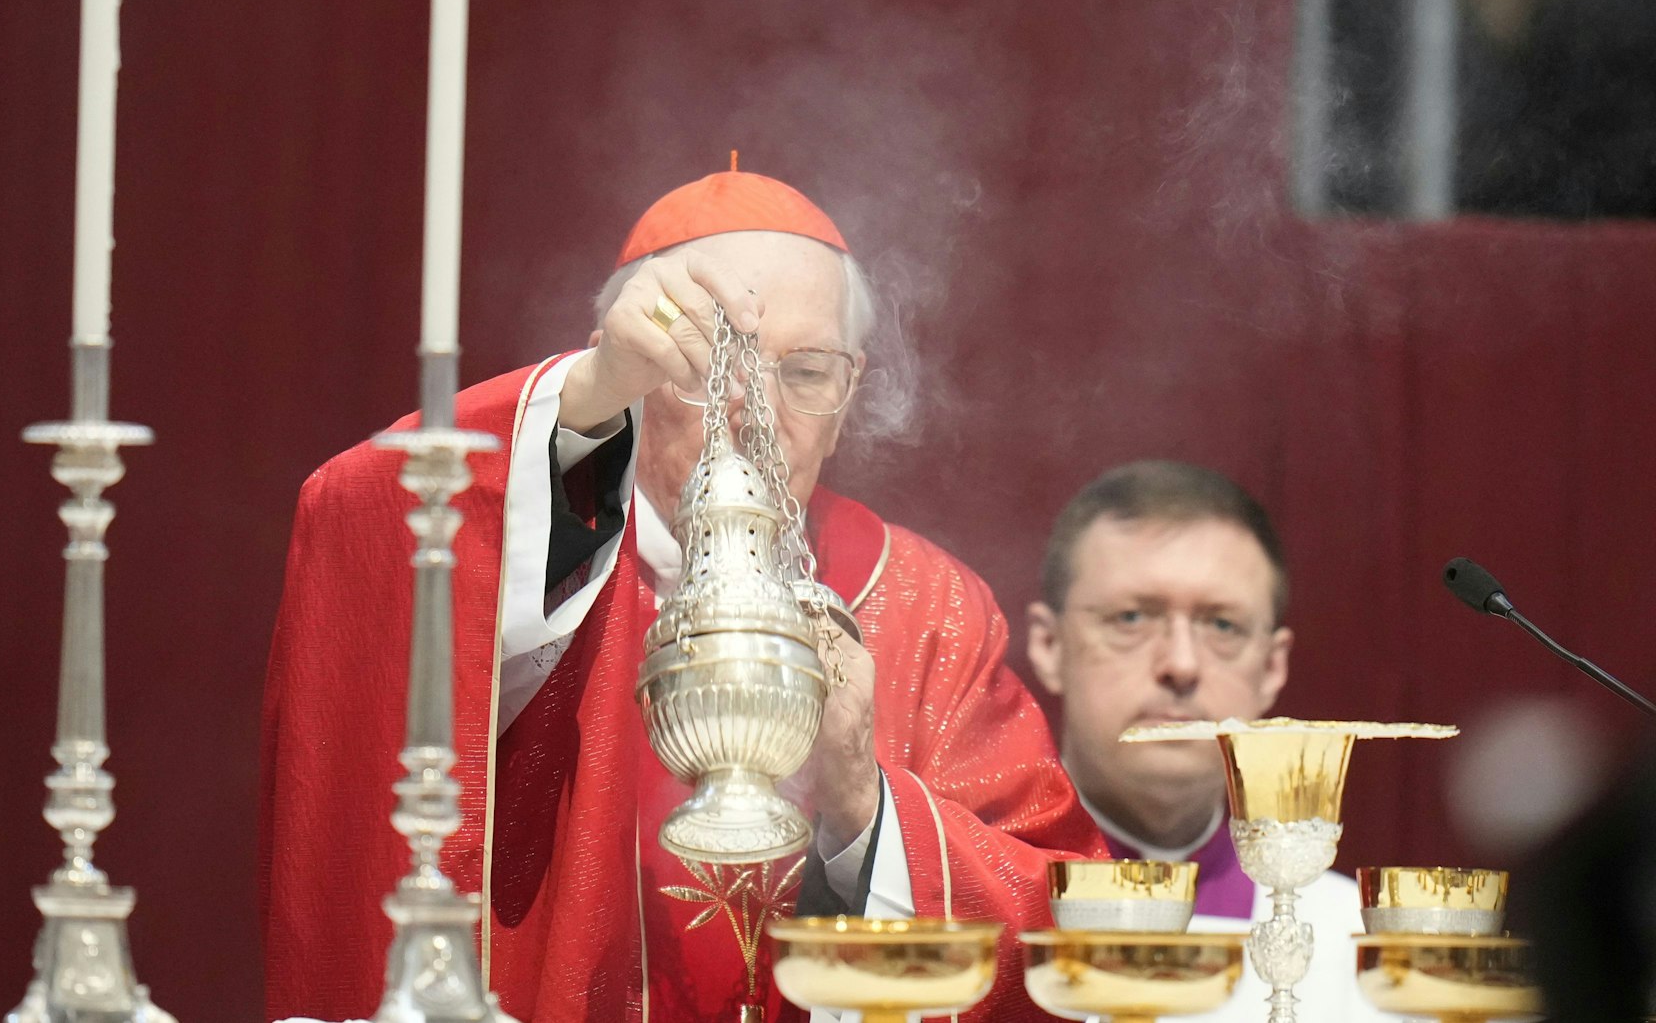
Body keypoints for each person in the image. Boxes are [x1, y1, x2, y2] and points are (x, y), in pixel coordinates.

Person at [261, 166, 1106, 1023]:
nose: (755, 410)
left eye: (806, 372)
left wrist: (864, 802)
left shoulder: (928, 604)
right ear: (627, 364)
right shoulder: (545, 555)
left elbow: (1072, 931)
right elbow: (371, 523)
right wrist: (586, 398)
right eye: (708, 364)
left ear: (848, 394)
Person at [1024, 460, 1394, 1022]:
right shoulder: (963, 908)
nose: (1180, 664)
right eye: (1130, 617)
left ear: (1272, 668)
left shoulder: (1363, 948)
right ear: (1050, 646)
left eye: (1221, 625)